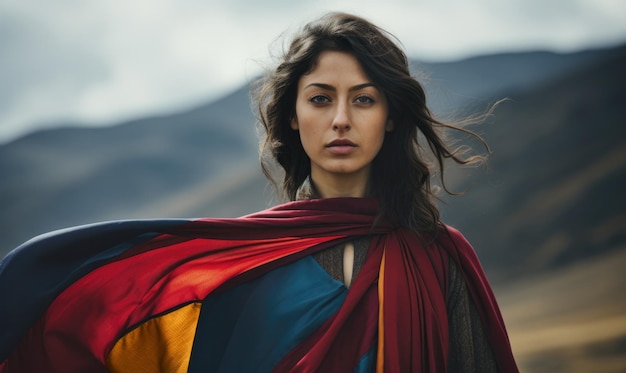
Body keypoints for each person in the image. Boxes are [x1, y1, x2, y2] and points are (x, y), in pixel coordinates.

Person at [0, 12, 518, 373]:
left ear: (391, 117)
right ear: (293, 117)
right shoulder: (250, 264)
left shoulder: (439, 256)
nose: (340, 120)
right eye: (320, 99)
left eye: (363, 100)